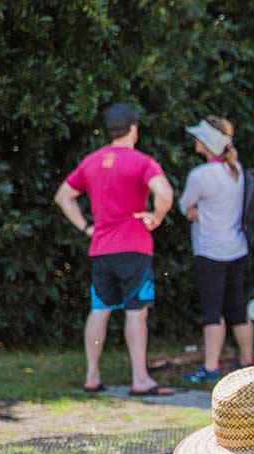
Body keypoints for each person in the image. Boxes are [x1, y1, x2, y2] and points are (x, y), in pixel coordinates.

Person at [54, 102, 174, 396]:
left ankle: (92, 375)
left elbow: (63, 196)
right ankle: (140, 378)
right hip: (135, 249)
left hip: (101, 250)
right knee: (137, 313)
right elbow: (165, 192)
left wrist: (85, 227)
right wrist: (156, 217)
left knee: (99, 310)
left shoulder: (92, 161)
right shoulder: (142, 162)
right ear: (134, 128)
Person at [178, 116, 253, 385]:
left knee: (213, 311)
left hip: (210, 250)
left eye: (199, 137)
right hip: (237, 248)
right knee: (238, 309)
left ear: (207, 143)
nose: (195, 141)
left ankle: (211, 367)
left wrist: (194, 212)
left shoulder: (200, 176)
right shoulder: (238, 170)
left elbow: (184, 205)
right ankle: (247, 361)